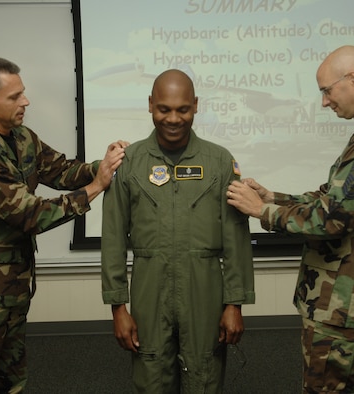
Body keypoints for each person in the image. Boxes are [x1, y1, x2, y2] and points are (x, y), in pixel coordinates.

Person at [227, 45, 354, 393]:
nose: (324, 102)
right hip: (346, 304)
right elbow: (335, 201)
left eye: (327, 90)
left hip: (346, 306)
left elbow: (331, 220)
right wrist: (274, 197)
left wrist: (261, 211)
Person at [0, 55, 127, 393]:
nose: (25, 101)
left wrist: (105, 165)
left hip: (10, 290)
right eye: (14, 97)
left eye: (23, 93)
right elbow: (29, 215)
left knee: (11, 381)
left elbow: (62, 170)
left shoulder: (21, 137)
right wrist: (95, 188)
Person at [101, 69, 255, 393]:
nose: (173, 118)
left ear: (196, 105)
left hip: (205, 293)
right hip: (149, 292)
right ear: (150, 106)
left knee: (204, 375)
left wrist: (234, 304)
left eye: (182, 109)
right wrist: (118, 308)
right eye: (164, 109)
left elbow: (236, 237)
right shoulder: (129, 163)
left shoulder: (220, 162)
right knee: (151, 377)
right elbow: (113, 238)